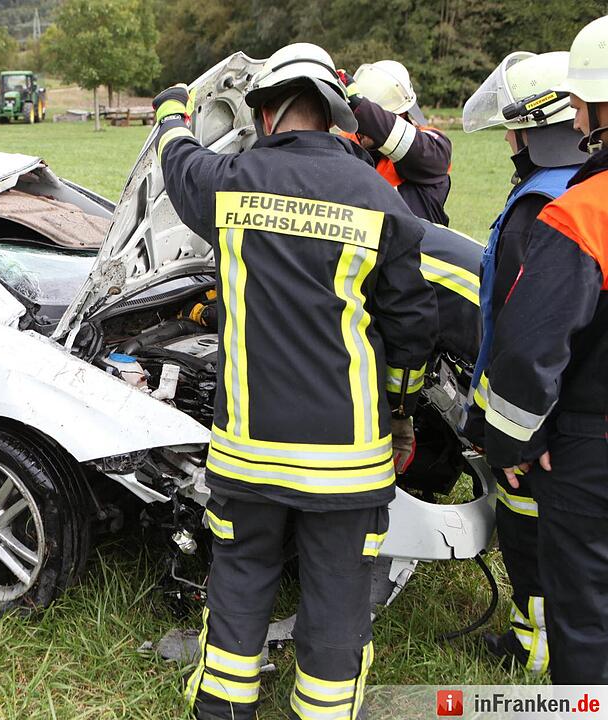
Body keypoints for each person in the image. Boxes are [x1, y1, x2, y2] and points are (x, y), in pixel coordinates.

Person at [151, 42, 437, 719]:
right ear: (333, 113)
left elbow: (178, 162)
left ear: (265, 113)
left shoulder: (230, 181)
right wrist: (400, 409)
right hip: (347, 459)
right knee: (338, 592)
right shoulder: (377, 196)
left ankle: (223, 707)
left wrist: (171, 112)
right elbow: (412, 326)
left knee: (242, 573)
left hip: (249, 451)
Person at [482, 15, 608, 684]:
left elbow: (531, 348)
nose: (579, 116)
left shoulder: (582, 213)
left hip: (590, 444)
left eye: (584, 101)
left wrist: (511, 443)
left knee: (584, 617)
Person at [461, 50, 587, 675]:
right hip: (583, 416)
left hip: (544, 427)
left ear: (536, 132)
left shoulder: (539, 210)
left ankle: (535, 646)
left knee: (529, 528)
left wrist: (512, 437)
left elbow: (523, 335)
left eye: (514, 131)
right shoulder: (589, 191)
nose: (509, 141)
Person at [340, 61, 453, 225]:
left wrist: (360, 107)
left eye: (363, 119)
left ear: (401, 114)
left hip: (418, 242)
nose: (361, 127)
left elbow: (414, 147)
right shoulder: (349, 143)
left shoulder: (433, 147)